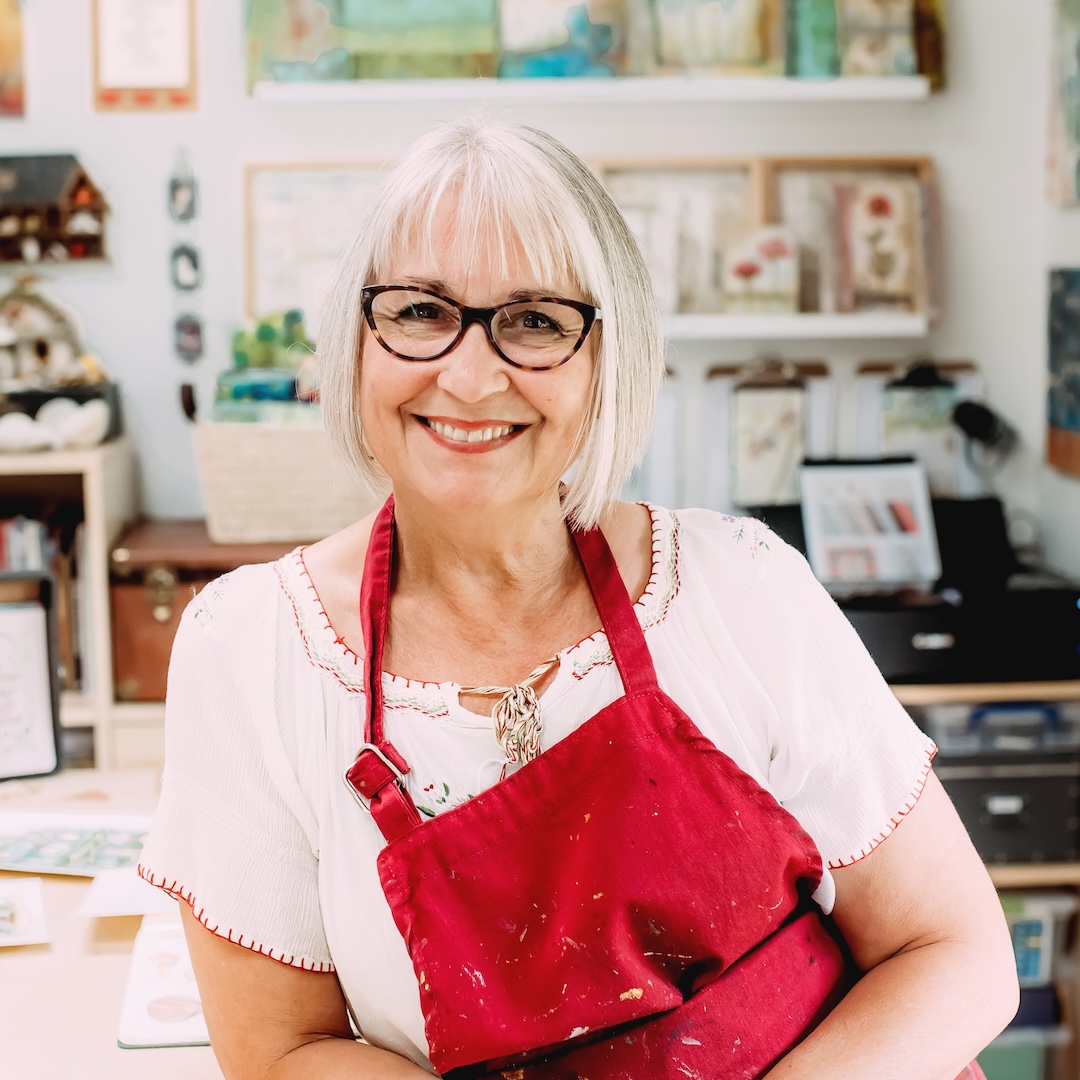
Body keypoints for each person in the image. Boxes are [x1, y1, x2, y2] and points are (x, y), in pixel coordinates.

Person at [139, 116, 1018, 1080]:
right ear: (357, 339)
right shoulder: (255, 650)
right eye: (421, 312)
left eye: (536, 322)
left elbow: (957, 955)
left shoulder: (738, 589)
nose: (470, 376)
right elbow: (281, 1053)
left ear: (609, 361)